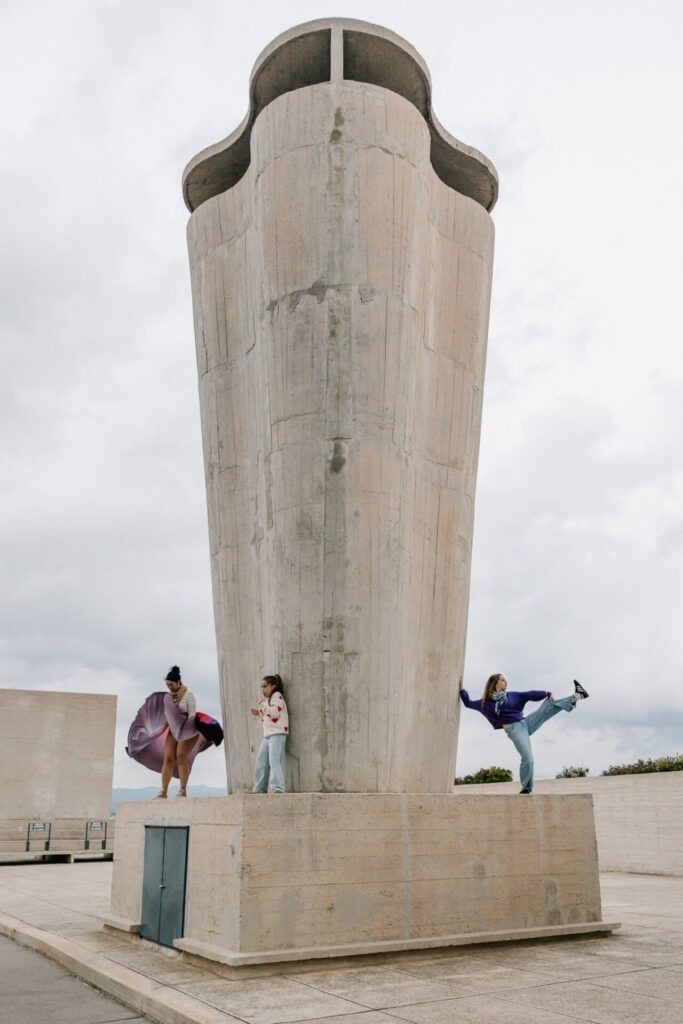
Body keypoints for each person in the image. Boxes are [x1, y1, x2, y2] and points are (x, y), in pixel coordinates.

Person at [459, 674, 589, 794]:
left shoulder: (511, 695)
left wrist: (546, 693)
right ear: (495, 683)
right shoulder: (485, 703)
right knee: (528, 759)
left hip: (525, 723)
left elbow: (528, 694)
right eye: (503, 680)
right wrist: (461, 688)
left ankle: (577, 696)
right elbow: (468, 703)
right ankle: (526, 789)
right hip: (514, 729)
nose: (506, 682)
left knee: (548, 705)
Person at [126, 665, 223, 798]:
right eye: (167, 685)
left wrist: (184, 732)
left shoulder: (189, 696)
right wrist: (158, 732)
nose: (169, 687)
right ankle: (164, 791)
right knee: (169, 757)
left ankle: (183, 790)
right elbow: (168, 718)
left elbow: (192, 715)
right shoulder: (169, 698)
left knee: (181, 757)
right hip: (174, 731)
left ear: (178, 682)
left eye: (171, 684)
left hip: (189, 730)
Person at [251, 674, 288, 793]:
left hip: (277, 734)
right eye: (261, 687)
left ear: (273, 686)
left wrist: (263, 705)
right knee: (261, 762)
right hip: (268, 735)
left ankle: (278, 789)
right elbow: (269, 716)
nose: (263, 690)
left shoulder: (277, 696)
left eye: (265, 686)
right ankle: (259, 790)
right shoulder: (269, 700)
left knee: (274, 762)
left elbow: (275, 713)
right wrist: (259, 714)